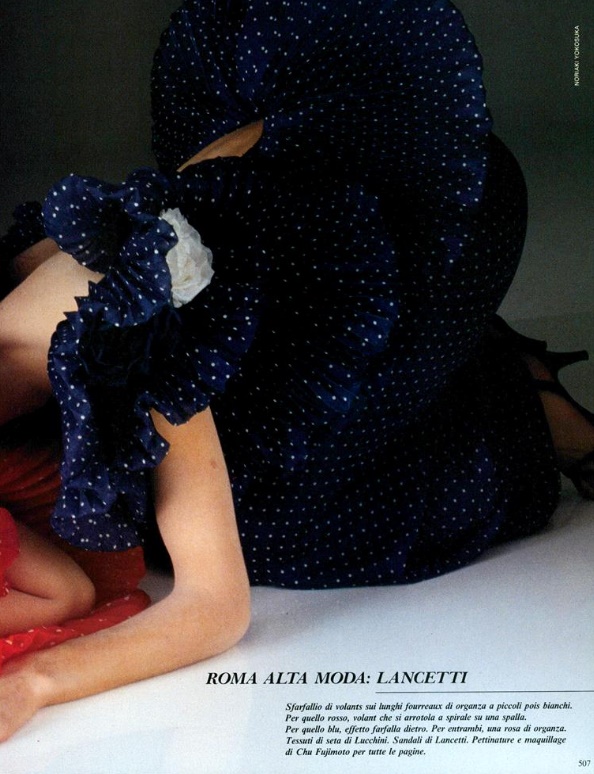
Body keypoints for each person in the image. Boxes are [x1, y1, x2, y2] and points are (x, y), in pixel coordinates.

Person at [0, 0, 592, 740]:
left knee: (273, 535)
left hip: (425, 213)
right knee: (187, 502)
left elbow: (214, 608)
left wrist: (33, 684)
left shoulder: (93, 316)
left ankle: (524, 398)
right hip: (284, 299)